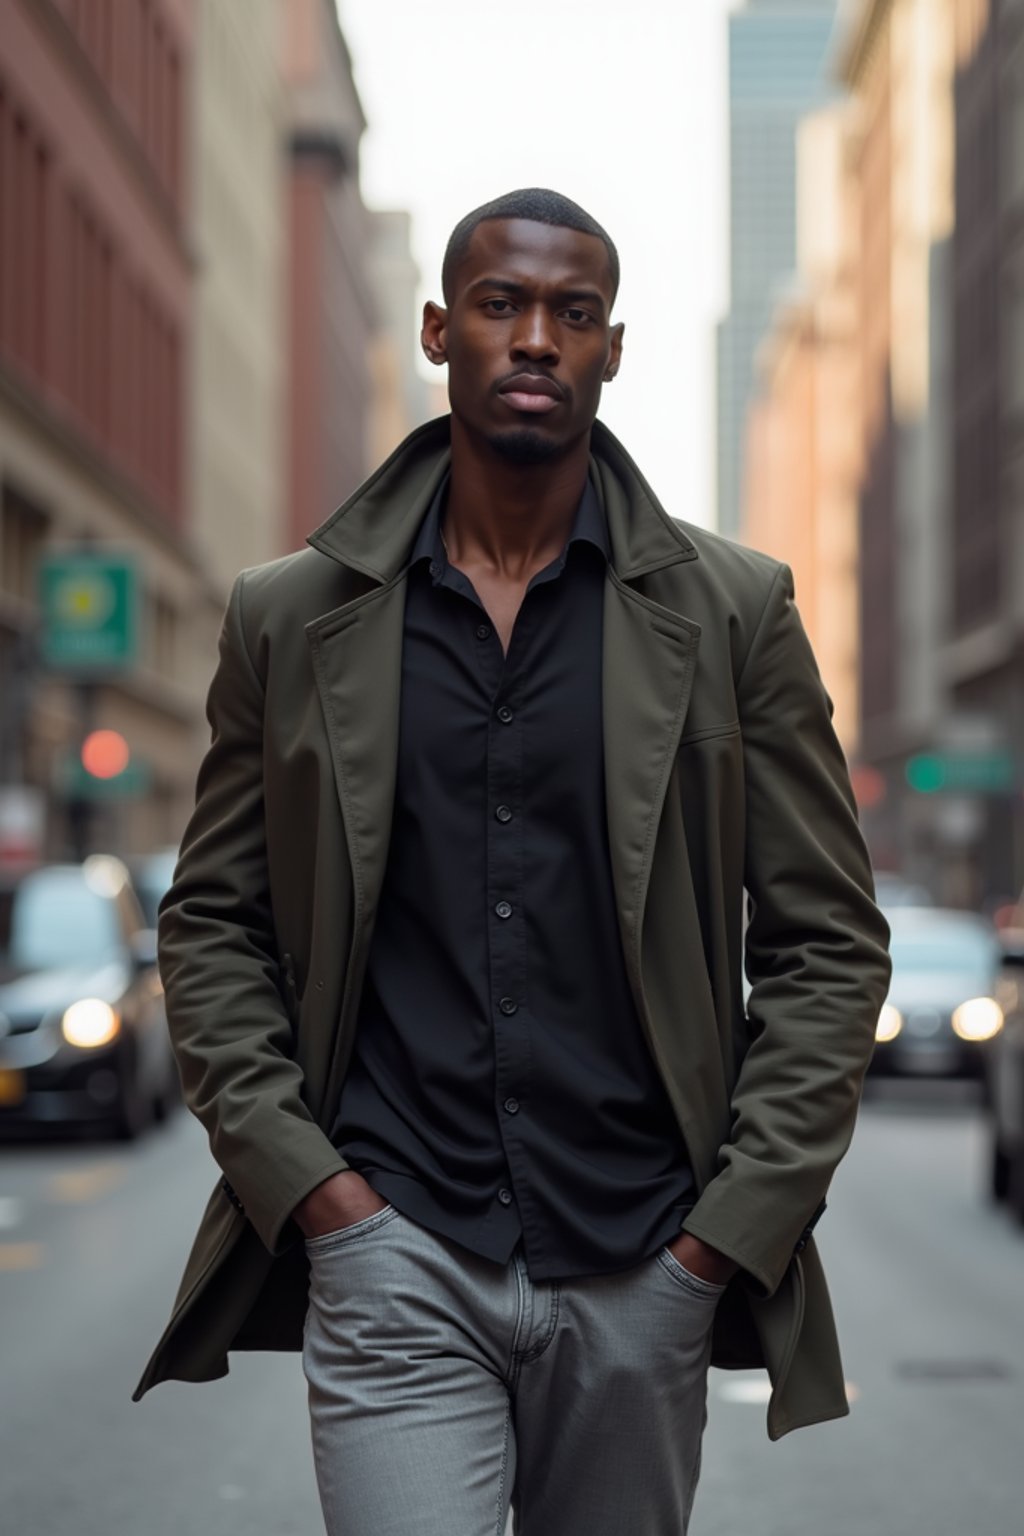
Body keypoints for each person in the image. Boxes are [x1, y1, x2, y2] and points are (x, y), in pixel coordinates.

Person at [135, 188, 892, 1535]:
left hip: (645, 1255)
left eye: (573, 313)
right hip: (394, 1247)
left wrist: (722, 1237)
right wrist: (319, 1199)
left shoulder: (734, 614)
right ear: (440, 330)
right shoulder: (290, 616)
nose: (536, 337)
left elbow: (828, 941)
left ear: (612, 349)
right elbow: (212, 921)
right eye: (502, 305)